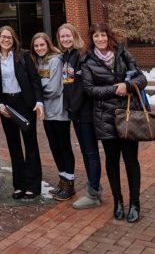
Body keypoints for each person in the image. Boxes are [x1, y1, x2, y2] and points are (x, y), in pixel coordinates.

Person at [82, 23, 147, 223]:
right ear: (92, 40)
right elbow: (89, 90)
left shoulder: (122, 53)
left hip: (128, 116)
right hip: (105, 119)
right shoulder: (87, 61)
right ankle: (118, 201)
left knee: (131, 161)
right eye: (96, 37)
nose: (100, 40)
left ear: (108, 37)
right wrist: (114, 89)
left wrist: (128, 85)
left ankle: (134, 203)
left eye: (102, 36)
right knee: (112, 161)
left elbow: (141, 78)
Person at [0, 26, 44, 200]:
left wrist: (38, 101)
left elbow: (34, 79)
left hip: (24, 102)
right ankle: (19, 185)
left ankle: (33, 185)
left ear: (14, 40)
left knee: (30, 144)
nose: (6, 40)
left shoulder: (23, 56)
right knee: (13, 146)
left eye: (10, 37)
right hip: (7, 104)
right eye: (3, 37)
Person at [56, 23, 102, 209]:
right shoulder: (66, 57)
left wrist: (73, 107)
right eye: (62, 37)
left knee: (91, 153)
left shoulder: (81, 57)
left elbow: (82, 87)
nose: (65, 39)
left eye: (68, 36)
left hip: (85, 112)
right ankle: (94, 187)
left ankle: (93, 194)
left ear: (75, 36)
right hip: (75, 113)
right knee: (85, 151)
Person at [31, 32, 75, 201]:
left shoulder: (55, 60)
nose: (39, 48)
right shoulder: (39, 62)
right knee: (54, 146)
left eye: (42, 45)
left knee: (64, 146)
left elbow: (55, 88)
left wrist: (37, 95)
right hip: (47, 113)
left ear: (48, 45)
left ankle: (69, 183)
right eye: (36, 46)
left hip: (59, 111)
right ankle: (62, 181)